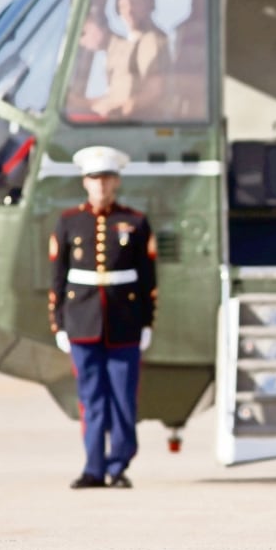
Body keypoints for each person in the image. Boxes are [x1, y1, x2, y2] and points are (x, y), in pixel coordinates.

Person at [48, 146, 158, 489]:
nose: (101, 185)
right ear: (85, 182)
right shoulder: (68, 222)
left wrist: (147, 323)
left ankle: (118, 465)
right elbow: (57, 276)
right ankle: (94, 467)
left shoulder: (136, 222)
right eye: (95, 178)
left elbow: (148, 278)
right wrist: (58, 322)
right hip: (81, 322)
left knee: (124, 399)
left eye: (107, 178)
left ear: (116, 182)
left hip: (124, 323)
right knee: (91, 398)